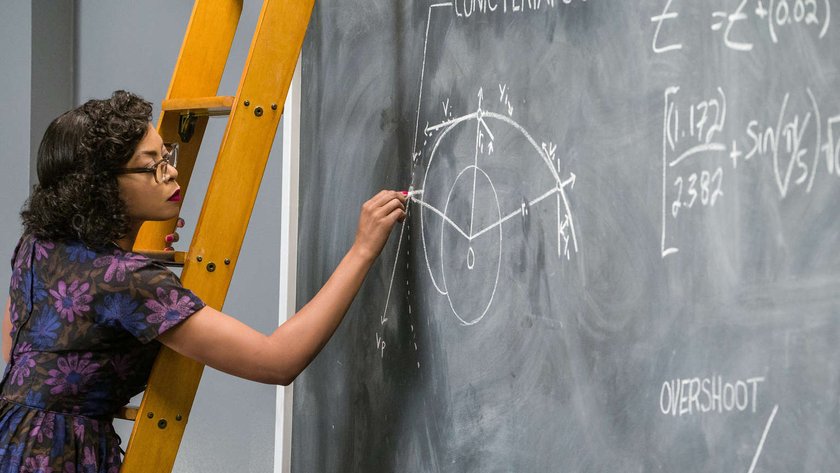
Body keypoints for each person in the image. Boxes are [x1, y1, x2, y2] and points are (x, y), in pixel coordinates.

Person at [0, 90, 406, 472]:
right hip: (59, 458)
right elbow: (277, 361)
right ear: (100, 187)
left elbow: (14, 348)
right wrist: (362, 250)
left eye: (166, 155)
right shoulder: (129, 280)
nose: (172, 171)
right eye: (153, 165)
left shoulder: (38, 244)